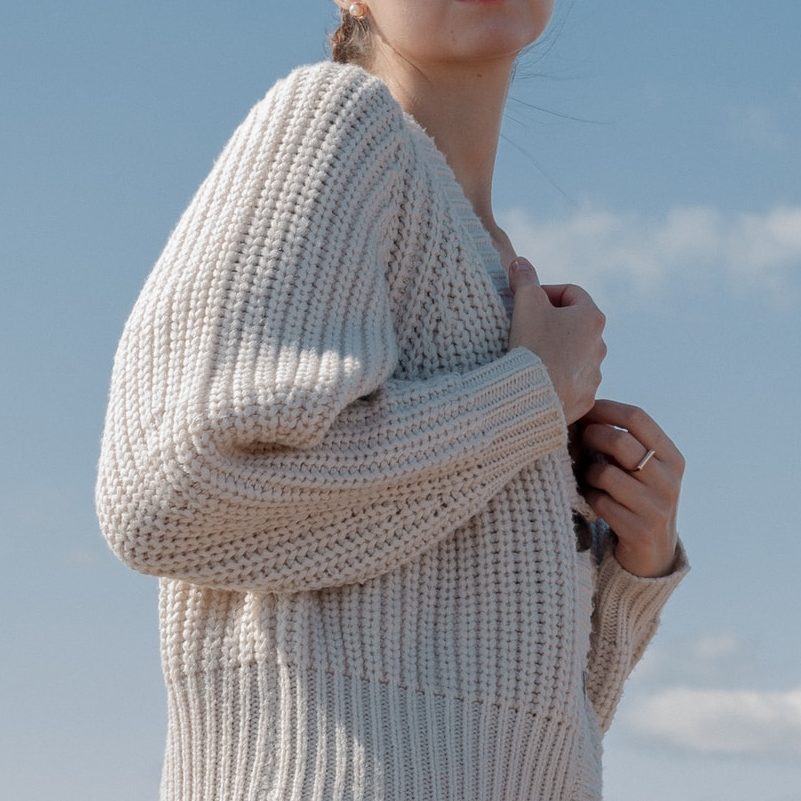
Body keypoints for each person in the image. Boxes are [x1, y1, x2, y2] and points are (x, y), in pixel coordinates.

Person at [94, 2, 691, 799]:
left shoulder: (497, 271)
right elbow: (163, 495)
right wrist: (527, 399)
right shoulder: (335, 120)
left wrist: (628, 569)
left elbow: (511, 732)